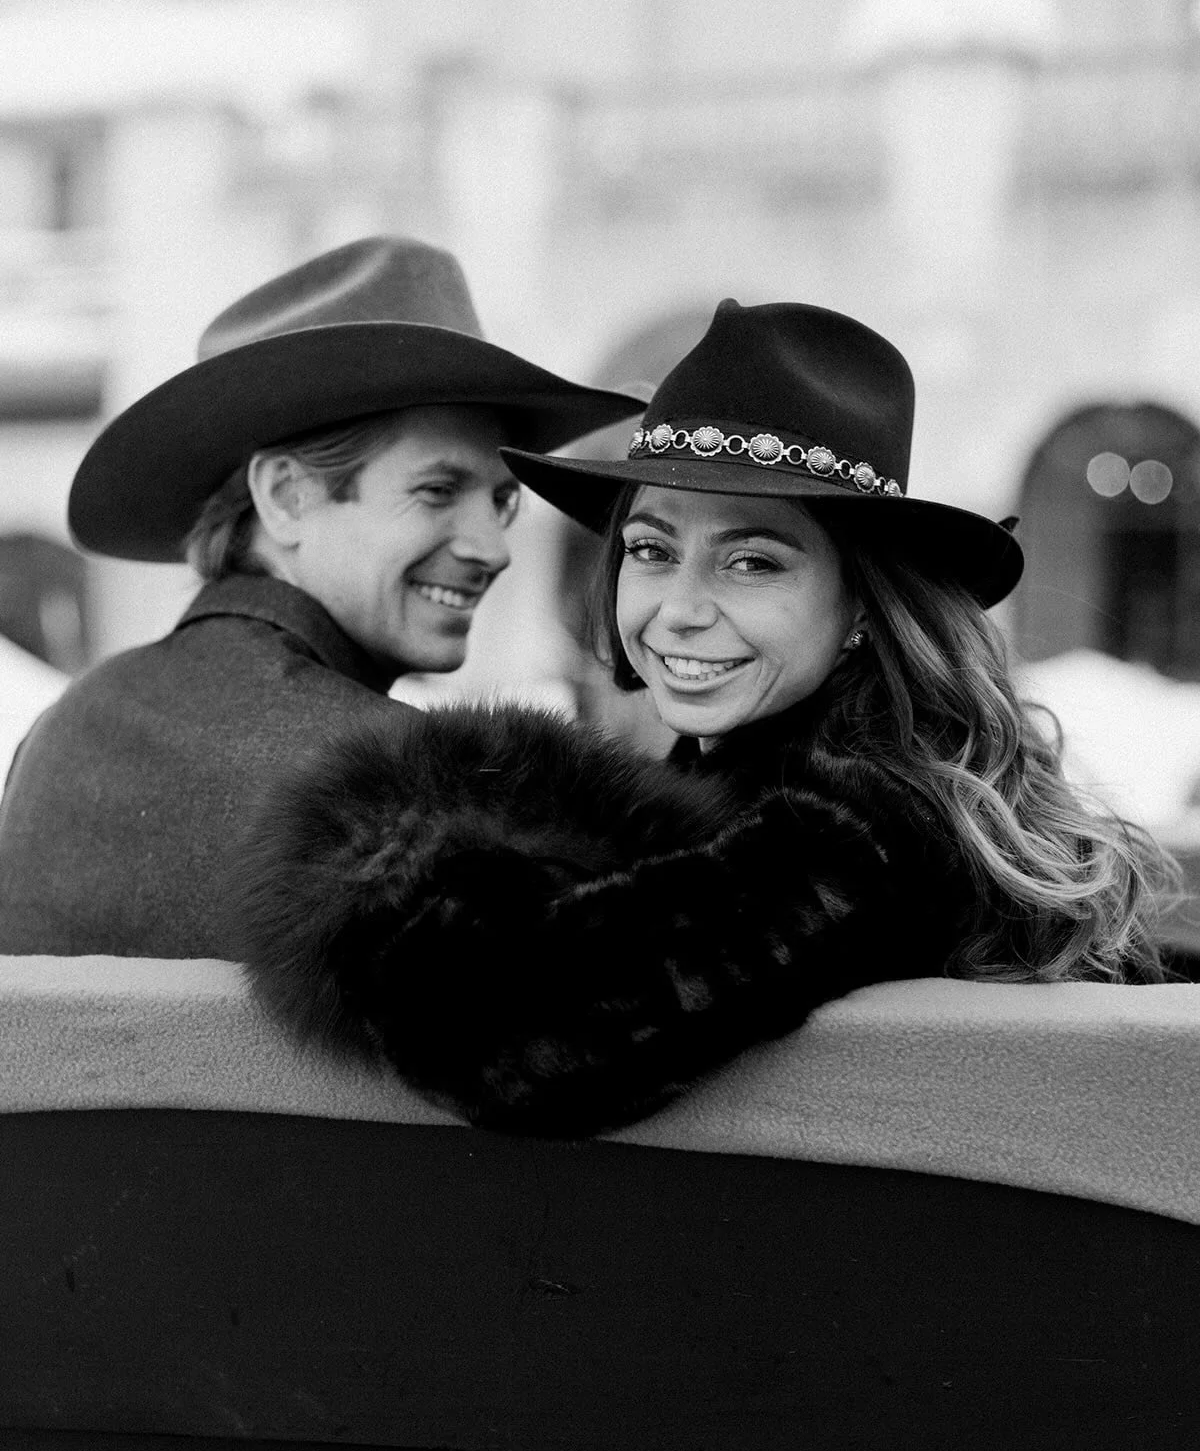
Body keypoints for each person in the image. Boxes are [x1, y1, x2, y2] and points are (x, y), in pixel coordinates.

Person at [235, 299, 1176, 1137]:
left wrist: (383, 822)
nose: (679, 607)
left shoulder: (873, 822)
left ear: (860, 609)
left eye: (752, 561)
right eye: (651, 549)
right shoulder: (768, 782)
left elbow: (523, 1047)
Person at [0, 237, 643, 957]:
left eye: (502, 503)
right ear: (285, 496)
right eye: (437, 491)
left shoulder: (58, 733)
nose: (493, 549)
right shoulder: (414, 781)